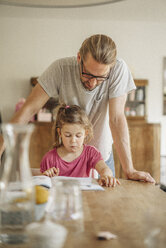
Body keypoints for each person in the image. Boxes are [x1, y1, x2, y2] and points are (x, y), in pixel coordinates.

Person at [0, 34, 155, 183]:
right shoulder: (60, 69)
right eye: (88, 74)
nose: (93, 83)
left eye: (101, 78)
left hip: (101, 158)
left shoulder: (119, 69)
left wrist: (130, 170)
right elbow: (27, 111)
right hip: (66, 157)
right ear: (79, 58)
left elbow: (116, 118)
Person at [40, 104, 120, 187]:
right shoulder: (49, 158)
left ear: (85, 133)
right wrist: (46, 177)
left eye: (78, 136)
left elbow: (104, 168)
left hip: (85, 198)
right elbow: (43, 185)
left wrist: (106, 175)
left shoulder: (91, 153)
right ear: (60, 133)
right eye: (68, 135)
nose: (73, 141)